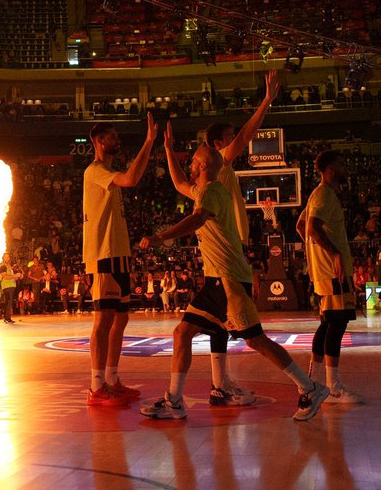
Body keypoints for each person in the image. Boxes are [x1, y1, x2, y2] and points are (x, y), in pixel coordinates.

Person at [140, 138, 328, 421]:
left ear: (203, 165)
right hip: (217, 281)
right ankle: (174, 401)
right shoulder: (205, 190)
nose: (189, 165)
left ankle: (310, 388)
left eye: (192, 161)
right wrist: (168, 149)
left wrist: (160, 237)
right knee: (182, 333)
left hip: (228, 282)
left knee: (256, 341)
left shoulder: (212, 192)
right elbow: (179, 184)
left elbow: (197, 218)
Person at [202, 69, 280, 400]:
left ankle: (220, 384)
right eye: (230, 136)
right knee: (245, 327)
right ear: (219, 144)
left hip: (229, 247)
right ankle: (304, 385)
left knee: (219, 320)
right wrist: (266, 101)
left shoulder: (219, 170)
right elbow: (248, 135)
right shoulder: (219, 162)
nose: (237, 140)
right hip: (227, 251)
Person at [83, 114, 158, 406]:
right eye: (112, 137)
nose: (117, 141)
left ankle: (112, 378)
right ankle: (95, 386)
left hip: (119, 254)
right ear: (100, 142)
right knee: (103, 321)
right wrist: (149, 142)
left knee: (121, 319)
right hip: (103, 254)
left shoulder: (107, 172)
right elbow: (131, 178)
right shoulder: (95, 171)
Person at [297, 151, 362, 405]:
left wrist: (314, 251)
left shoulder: (316, 193)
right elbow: (310, 228)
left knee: (327, 323)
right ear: (331, 169)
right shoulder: (325, 193)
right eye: (342, 164)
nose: (346, 168)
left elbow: (300, 227)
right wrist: (333, 253)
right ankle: (333, 387)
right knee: (337, 324)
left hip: (322, 270)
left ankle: (312, 382)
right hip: (332, 271)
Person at [0, 254, 20, 323]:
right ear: (3, 258)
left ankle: (7, 317)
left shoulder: (9, 266)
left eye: (8, 257)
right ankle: (7, 318)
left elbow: (11, 277)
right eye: (5, 257)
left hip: (11, 286)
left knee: (9, 302)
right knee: (8, 302)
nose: (7, 258)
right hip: (7, 286)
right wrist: (15, 275)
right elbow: (5, 277)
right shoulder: (3, 266)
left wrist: (17, 277)